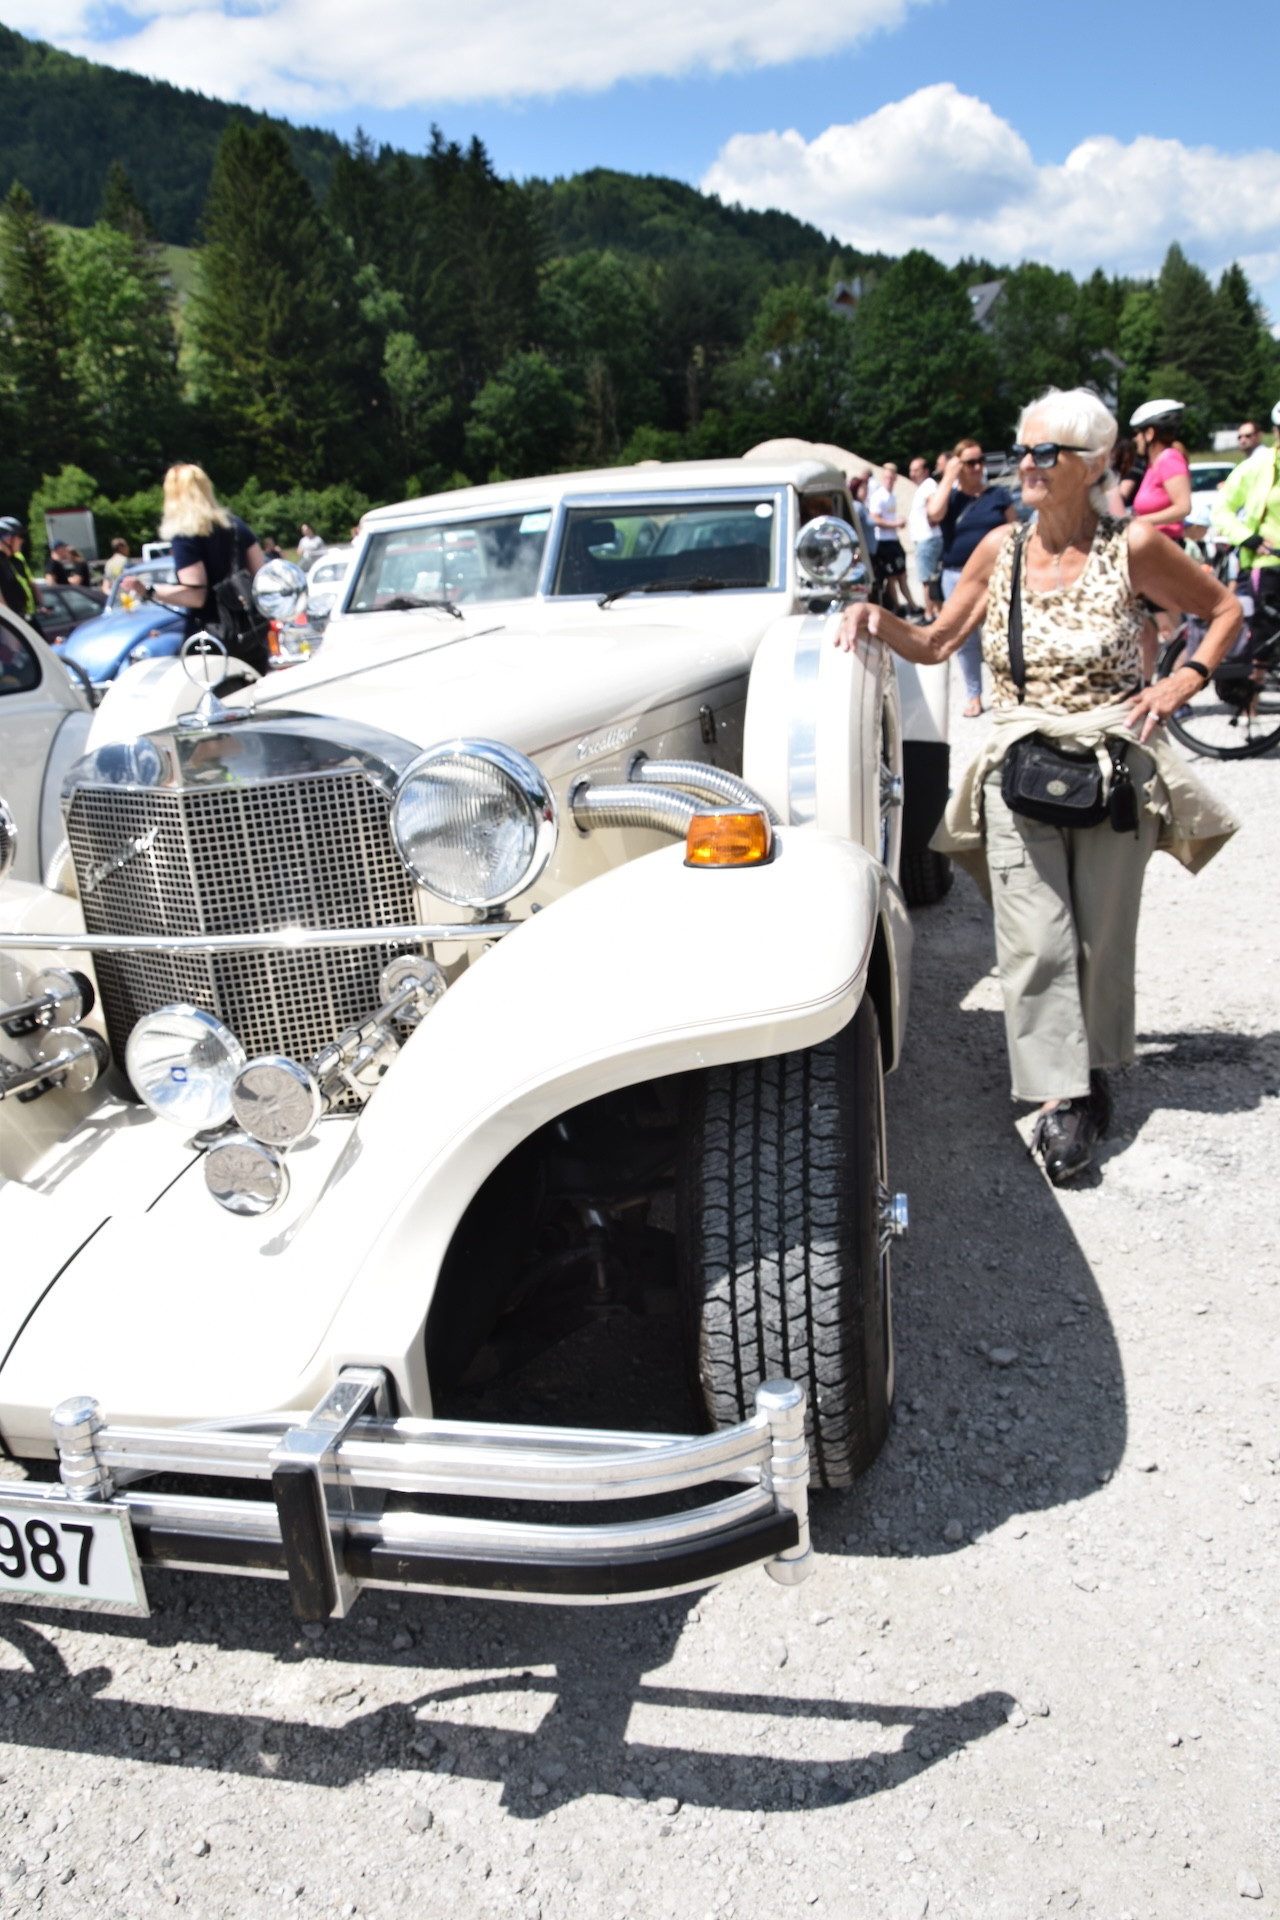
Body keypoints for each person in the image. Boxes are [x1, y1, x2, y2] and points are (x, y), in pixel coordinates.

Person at [833, 387, 1240, 1186]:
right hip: (1019, 765)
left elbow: (1222, 610)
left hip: (1115, 767)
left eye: (1042, 453)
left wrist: (1179, 683)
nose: (1023, 464)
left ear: (1090, 465)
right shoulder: (1001, 551)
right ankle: (1066, 1095)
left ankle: (1092, 1065)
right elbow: (938, 639)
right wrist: (874, 618)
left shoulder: (1137, 547)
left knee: (1099, 939)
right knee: (1034, 939)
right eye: (1018, 450)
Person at [120, 463, 266, 673]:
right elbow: (261, 576)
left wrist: (149, 591)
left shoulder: (185, 536)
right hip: (251, 634)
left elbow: (196, 594)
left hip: (212, 640)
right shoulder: (236, 526)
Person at [926, 437, 1018, 717]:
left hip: (998, 574)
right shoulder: (950, 499)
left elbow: (1016, 530)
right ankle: (973, 694)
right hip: (958, 576)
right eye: (970, 462)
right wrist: (949, 476)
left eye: (981, 461)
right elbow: (933, 513)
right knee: (965, 639)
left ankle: (1007, 690)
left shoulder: (997, 496)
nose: (978, 467)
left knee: (1003, 634)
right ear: (958, 465)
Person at [1211, 398, 1280, 644]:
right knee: (1264, 638)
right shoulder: (1257, 466)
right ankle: (1253, 680)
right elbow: (1221, 508)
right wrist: (1247, 538)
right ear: (1275, 432)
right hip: (1269, 562)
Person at [868, 462, 911, 612]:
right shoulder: (878, 496)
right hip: (883, 541)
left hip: (893, 539)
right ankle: (898, 606)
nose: (889, 480)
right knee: (891, 577)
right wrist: (895, 524)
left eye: (891, 477)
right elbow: (876, 519)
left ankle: (910, 604)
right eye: (886, 477)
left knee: (902, 574)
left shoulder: (892, 496)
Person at [906, 455, 942, 616]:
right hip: (926, 538)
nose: (912, 474)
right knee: (931, 579)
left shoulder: (928, 486)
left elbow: (932, 505)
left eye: (916, 470)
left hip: (927, 538)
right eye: (911, 470)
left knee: (927, 579)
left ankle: (929, 614)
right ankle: (937, 610)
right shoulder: (925, 486)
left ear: (926, 471)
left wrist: (931, 518)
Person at [0, 519, 39, 627]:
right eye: (19, 537)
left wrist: (38, 605)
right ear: (7, 539)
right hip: (14, 625)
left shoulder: (15, 560)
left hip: (27, 617)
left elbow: (29, 585)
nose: (22, 540)